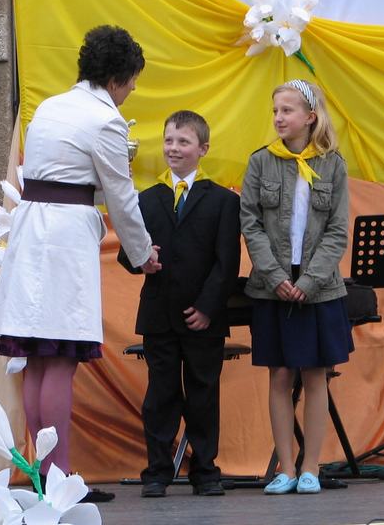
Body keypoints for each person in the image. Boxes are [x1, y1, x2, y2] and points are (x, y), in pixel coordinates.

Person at [0, 25, 161, 487]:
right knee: (60, 357)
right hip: (64, 239)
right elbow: (121, 197)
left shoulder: (50, 107)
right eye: (133, 81)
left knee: (38, 358)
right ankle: (58, 476)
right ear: (118, 78)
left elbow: (62, 174)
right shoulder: (105, 121)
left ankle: (42, 474)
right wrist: (143, 253)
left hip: (32, 231)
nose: (132, 90)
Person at [118, 110, 240, 498]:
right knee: (161, 395)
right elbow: (126, 254)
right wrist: (142, 259)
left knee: (203, 394)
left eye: (183, 142)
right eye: (169, 140)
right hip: (159, 315)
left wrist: (207, 307)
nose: (173, 148)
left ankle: (205, 471)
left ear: (202, 149)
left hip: (204, 318)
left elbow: (227, 263)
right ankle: (157, 472)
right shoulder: (146, 199)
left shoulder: (223, 201)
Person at [240, 79, 353, 495]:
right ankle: (285, 467)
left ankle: (311, 467)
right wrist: (276, 277)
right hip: (273, 286)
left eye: (286, 111)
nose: (278, 118)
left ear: (310, 116)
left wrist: (309, 280)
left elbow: (337, 231)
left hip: (317, 288)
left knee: (315, 374)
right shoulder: (260, 162)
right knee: (280, 374)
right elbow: (251, 224)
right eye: (275, 111)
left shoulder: (333, 165)